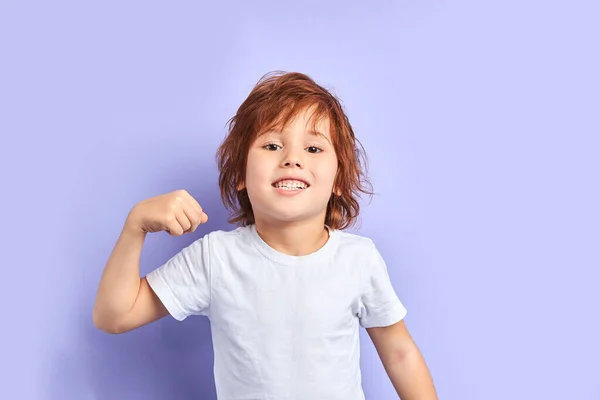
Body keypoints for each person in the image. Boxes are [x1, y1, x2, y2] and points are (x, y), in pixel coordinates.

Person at [93, 71, 438, 399]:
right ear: (241, 173)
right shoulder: (216, 258)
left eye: (313, 148)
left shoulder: (359, 259)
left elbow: (400, 354)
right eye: (272, 145)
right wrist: (134, 226)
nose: (292, 159)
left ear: (337, 179)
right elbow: (114, 315)